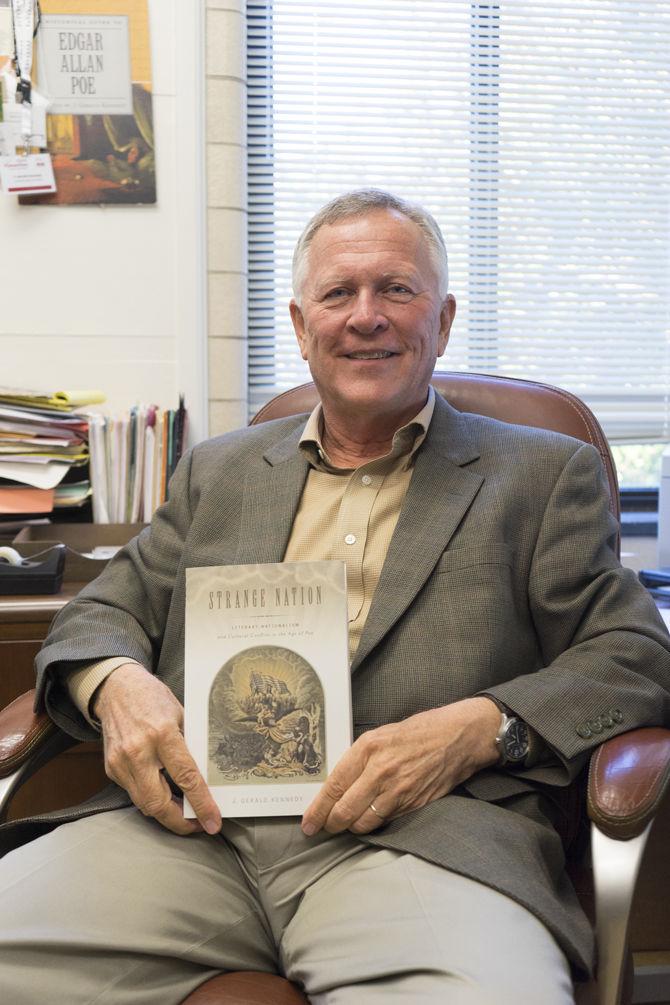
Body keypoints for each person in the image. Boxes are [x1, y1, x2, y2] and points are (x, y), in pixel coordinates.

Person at [1, 189, 669, 1005]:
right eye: (338, 293)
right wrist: (117, 686)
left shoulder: (539, 473)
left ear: (444, 317)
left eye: (396, 288)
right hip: (187, 833)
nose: (366, 316)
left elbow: (633, 654)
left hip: (426, 842)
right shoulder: (220, 470)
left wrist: (479, 727)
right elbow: (101, 610)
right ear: (299, 324)